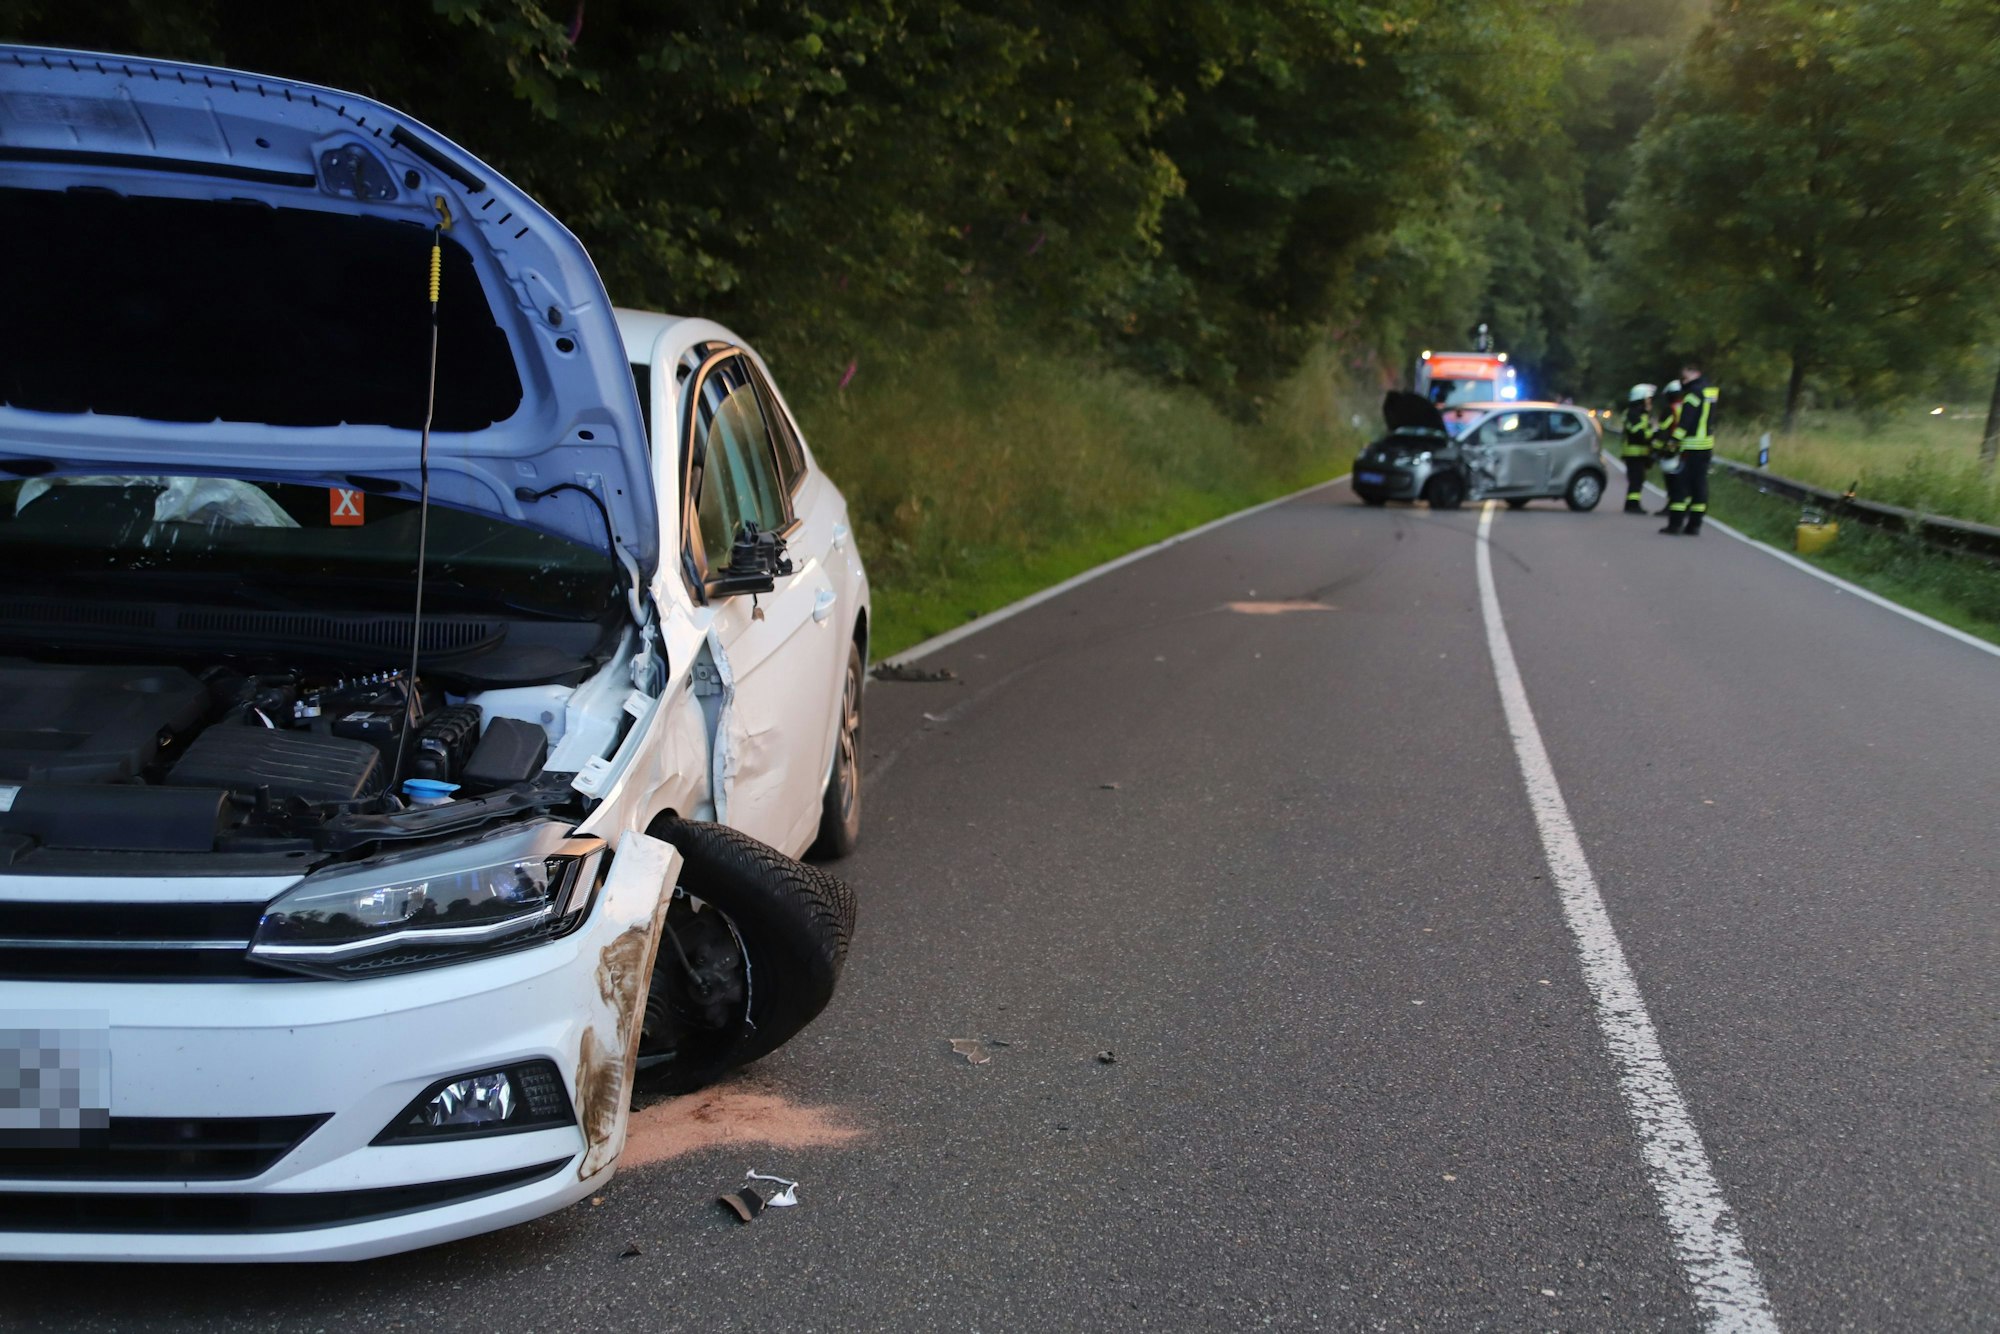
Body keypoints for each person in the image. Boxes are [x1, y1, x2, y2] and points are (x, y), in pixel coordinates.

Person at [1661, 360, 1718, 535]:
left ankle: (1675, 525)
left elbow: (1686, 421)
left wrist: (1672, 442)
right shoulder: (1710, 391)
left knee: (1680, 487)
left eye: (1685, 377)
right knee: (1699, 486)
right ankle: (1695, 525)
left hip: (1690, 447)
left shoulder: (1693, 393)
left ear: (1695, 373)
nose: (1683, 381)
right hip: (1706, 446)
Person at [1619, 384, 1657, 513]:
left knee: (1638, 480)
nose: (1649, 401)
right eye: (1648, 399)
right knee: (1636, 480)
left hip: (1641, 453)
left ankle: (1633, 504)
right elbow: (1638, 433)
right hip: (1633, 453)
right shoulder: (1632, 413)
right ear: (1641, 398)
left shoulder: (1642, 414)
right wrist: (1653, 435)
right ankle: (1632, 505)